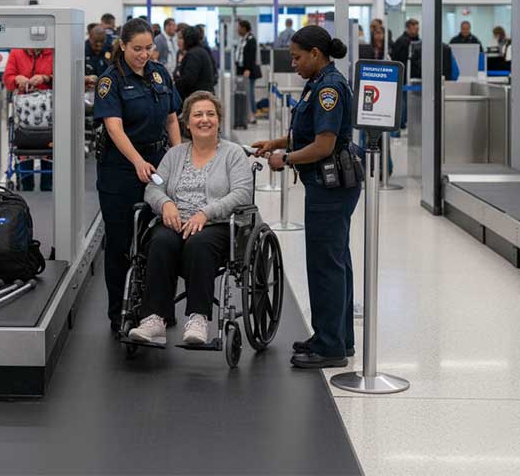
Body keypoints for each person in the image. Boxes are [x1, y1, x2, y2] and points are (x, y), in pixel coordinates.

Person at [253, 26, 361, 369]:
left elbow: (324, 145)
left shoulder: (328, 88)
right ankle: (336, 337)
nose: (294, 63)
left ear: (317, 54)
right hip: (329, 183)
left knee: (325, 263)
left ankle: (330, 347)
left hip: (330, 185)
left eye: (298, 57)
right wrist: (276, 144)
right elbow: (309, 133)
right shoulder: (318, 83)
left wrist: (285, 159)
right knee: (336, 260)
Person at [127, 91, 252, 346]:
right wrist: (166, 204)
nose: (204, 119)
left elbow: (242, 193)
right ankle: (154, 319)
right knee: (161, 242)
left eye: (210, 114)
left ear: (218, 119)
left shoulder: (233, 154)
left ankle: (198, 319)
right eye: (198, 114)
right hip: (174, 221)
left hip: (216, 224)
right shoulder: (174, 155)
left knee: (199, 244)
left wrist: (206, 212)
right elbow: (153, 188)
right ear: (186, 122)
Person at [94, 18, 182, 333]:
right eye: (137, 49)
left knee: (159, 239)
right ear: (122, 45)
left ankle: (156, 310)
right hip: (121, 169)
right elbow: (113, 126)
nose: (144, 55)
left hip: (159, 162)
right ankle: (119, 312)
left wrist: (179, 156)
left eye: (148, 48)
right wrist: (137, 161)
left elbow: (172, 118)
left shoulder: (160, 73)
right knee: (121, 243)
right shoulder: (111, 80)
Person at [3, 47, 54, 191]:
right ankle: (25, 183)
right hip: (24, 113)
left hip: (49, 111)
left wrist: (46, 78)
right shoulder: (16, 53)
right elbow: (7, 79)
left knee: (50, 150)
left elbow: (63, 77)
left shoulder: (54, 52)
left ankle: (48, 184)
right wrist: (16, 79)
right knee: (23, 147)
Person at [391, 19, 421, 130]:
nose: (417, 30)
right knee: (402, 103)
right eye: (415, 28)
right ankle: (400, 125)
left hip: (413, 77)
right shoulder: (402, 41)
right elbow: (397, 59)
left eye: (417, 28)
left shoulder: (418, 42)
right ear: (408, 28)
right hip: (403, 77)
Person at [174, 25, 216, 100]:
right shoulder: (199, 51)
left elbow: (188, 80)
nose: (178, 41)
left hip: (198, 98)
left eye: (181, 38)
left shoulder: (193, 54)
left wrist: (174, 85)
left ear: (188, 39)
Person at [235, 19, 262, 123]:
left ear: (244, 28)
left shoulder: (251, 39)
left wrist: (248, 69)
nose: (238, 30)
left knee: (249, 93)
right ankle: (246, 114)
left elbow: (251, 56)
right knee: (245, 93)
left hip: (248, 71)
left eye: (239, 27)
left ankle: (252, 115)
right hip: (242, 70)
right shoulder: (242, 39)